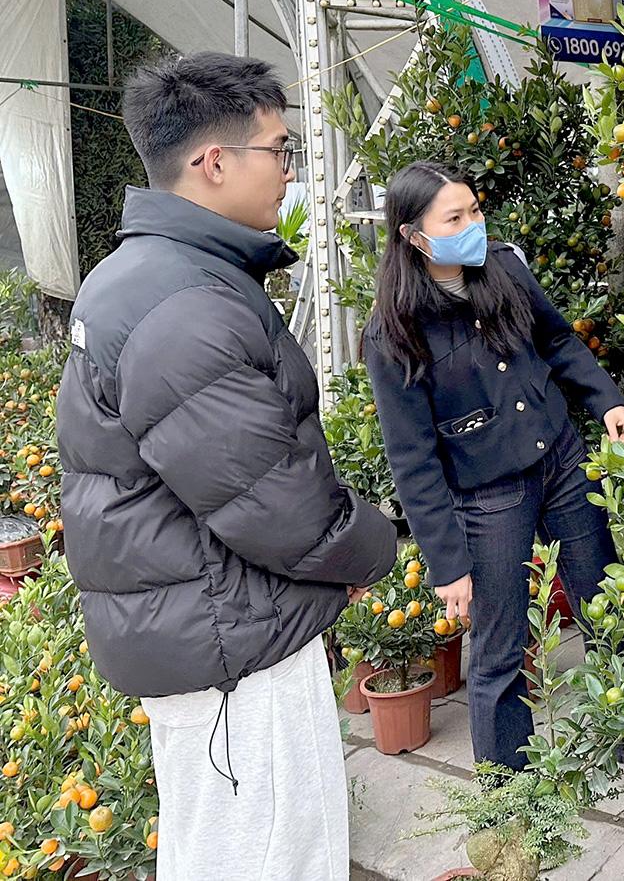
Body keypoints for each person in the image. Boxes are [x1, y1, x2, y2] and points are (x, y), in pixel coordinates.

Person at [57, 52, 397, 881]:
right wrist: (372, 547)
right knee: (273, 855)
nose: (289, 171)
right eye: (279, 150)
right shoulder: (181, 305)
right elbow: (275, 504)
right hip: (231, 653)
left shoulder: (151, 276)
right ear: (214, 162)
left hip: (211, 631)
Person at [363, 161, 624, 770]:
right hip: (488, 494)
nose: (473, 226)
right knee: (500, 646)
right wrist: (447, 564)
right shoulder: (394, 332)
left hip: (561, 459)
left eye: (475, 211)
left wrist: (606, 400)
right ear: (413, 236)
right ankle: (509, 787)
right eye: (454, 218)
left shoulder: (505, 269)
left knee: (606, 606)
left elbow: (557, 340)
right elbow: (412, 459)